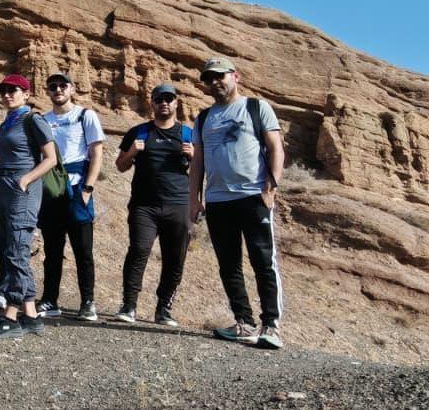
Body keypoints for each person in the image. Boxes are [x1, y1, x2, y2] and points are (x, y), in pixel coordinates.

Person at [189, 59, 286, 349]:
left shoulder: (256, 107)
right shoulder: (204, 118)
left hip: (253, 195)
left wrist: (272, 186)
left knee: (262, 260)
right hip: (218, 200)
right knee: (228, 264)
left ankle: (271, 326)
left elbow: (275, 147)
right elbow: (198, 162)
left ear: (235, 77)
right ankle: (244, 323)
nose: (215, 82)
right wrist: (194, 199)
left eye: (220, 76)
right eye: (209, 79)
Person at [0, 76, 58, 339]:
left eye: (13, 90)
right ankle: (32, 316)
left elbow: (50, 159)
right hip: (3, 192)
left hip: (21, 193)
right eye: (3, 91)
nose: (7, 95)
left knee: (16, 252)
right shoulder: (6, 124)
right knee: (11, 250)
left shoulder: (33, 120)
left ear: (26, 93)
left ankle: (10, 317)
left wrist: (25, 179)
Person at [114, 83, 194, 326]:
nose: (164, 103)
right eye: (160, 99)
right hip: (144, 205)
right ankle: (129, 305)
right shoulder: (139, 132)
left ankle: (163, 309)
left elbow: (200, 170)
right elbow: (120, 165)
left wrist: (193, 156)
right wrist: (132, 153)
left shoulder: (188, 134)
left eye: (169, 99)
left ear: (176, 103)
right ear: (153, 103)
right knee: (138, 251)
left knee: (175, 258)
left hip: (178, 205)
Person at [37, 72, 105, 322]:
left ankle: (88, 302)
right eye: (52, 86)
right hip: (52, 189)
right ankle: (50, 300)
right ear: (47, 91)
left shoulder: (85, 115)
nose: (57, 90)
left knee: (83, 251)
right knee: (52, 250)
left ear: (72, 89)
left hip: (77, 188)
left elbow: (96, 154)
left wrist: (87, 189)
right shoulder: (43, 120)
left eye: (62, 86)